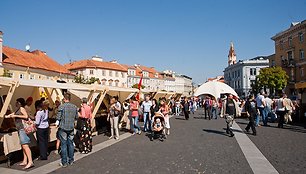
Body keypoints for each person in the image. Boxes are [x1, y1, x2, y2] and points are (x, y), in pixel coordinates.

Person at [5, 98, 34, 169]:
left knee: (25, 145)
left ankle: (30, 162)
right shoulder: (18, 109)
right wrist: (7, 116)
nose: (15, 103)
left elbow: (26, 116)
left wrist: (15, 116)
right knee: (23, 145)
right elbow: (12, 114)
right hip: (20, 128)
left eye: (17, 102)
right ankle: (25, 160)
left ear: (20, 103)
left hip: (22, 128)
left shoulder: (21, 108)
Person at [56, 93, 78, 167]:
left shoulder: (61, 107)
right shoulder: (74, 107)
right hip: (71, 127)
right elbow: (76, 117)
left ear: (64, 99)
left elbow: (58, 118)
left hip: (63, 128)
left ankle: (64, 162)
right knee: (71, 144)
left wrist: (57, 123)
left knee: (63, 145)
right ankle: (71, 160)